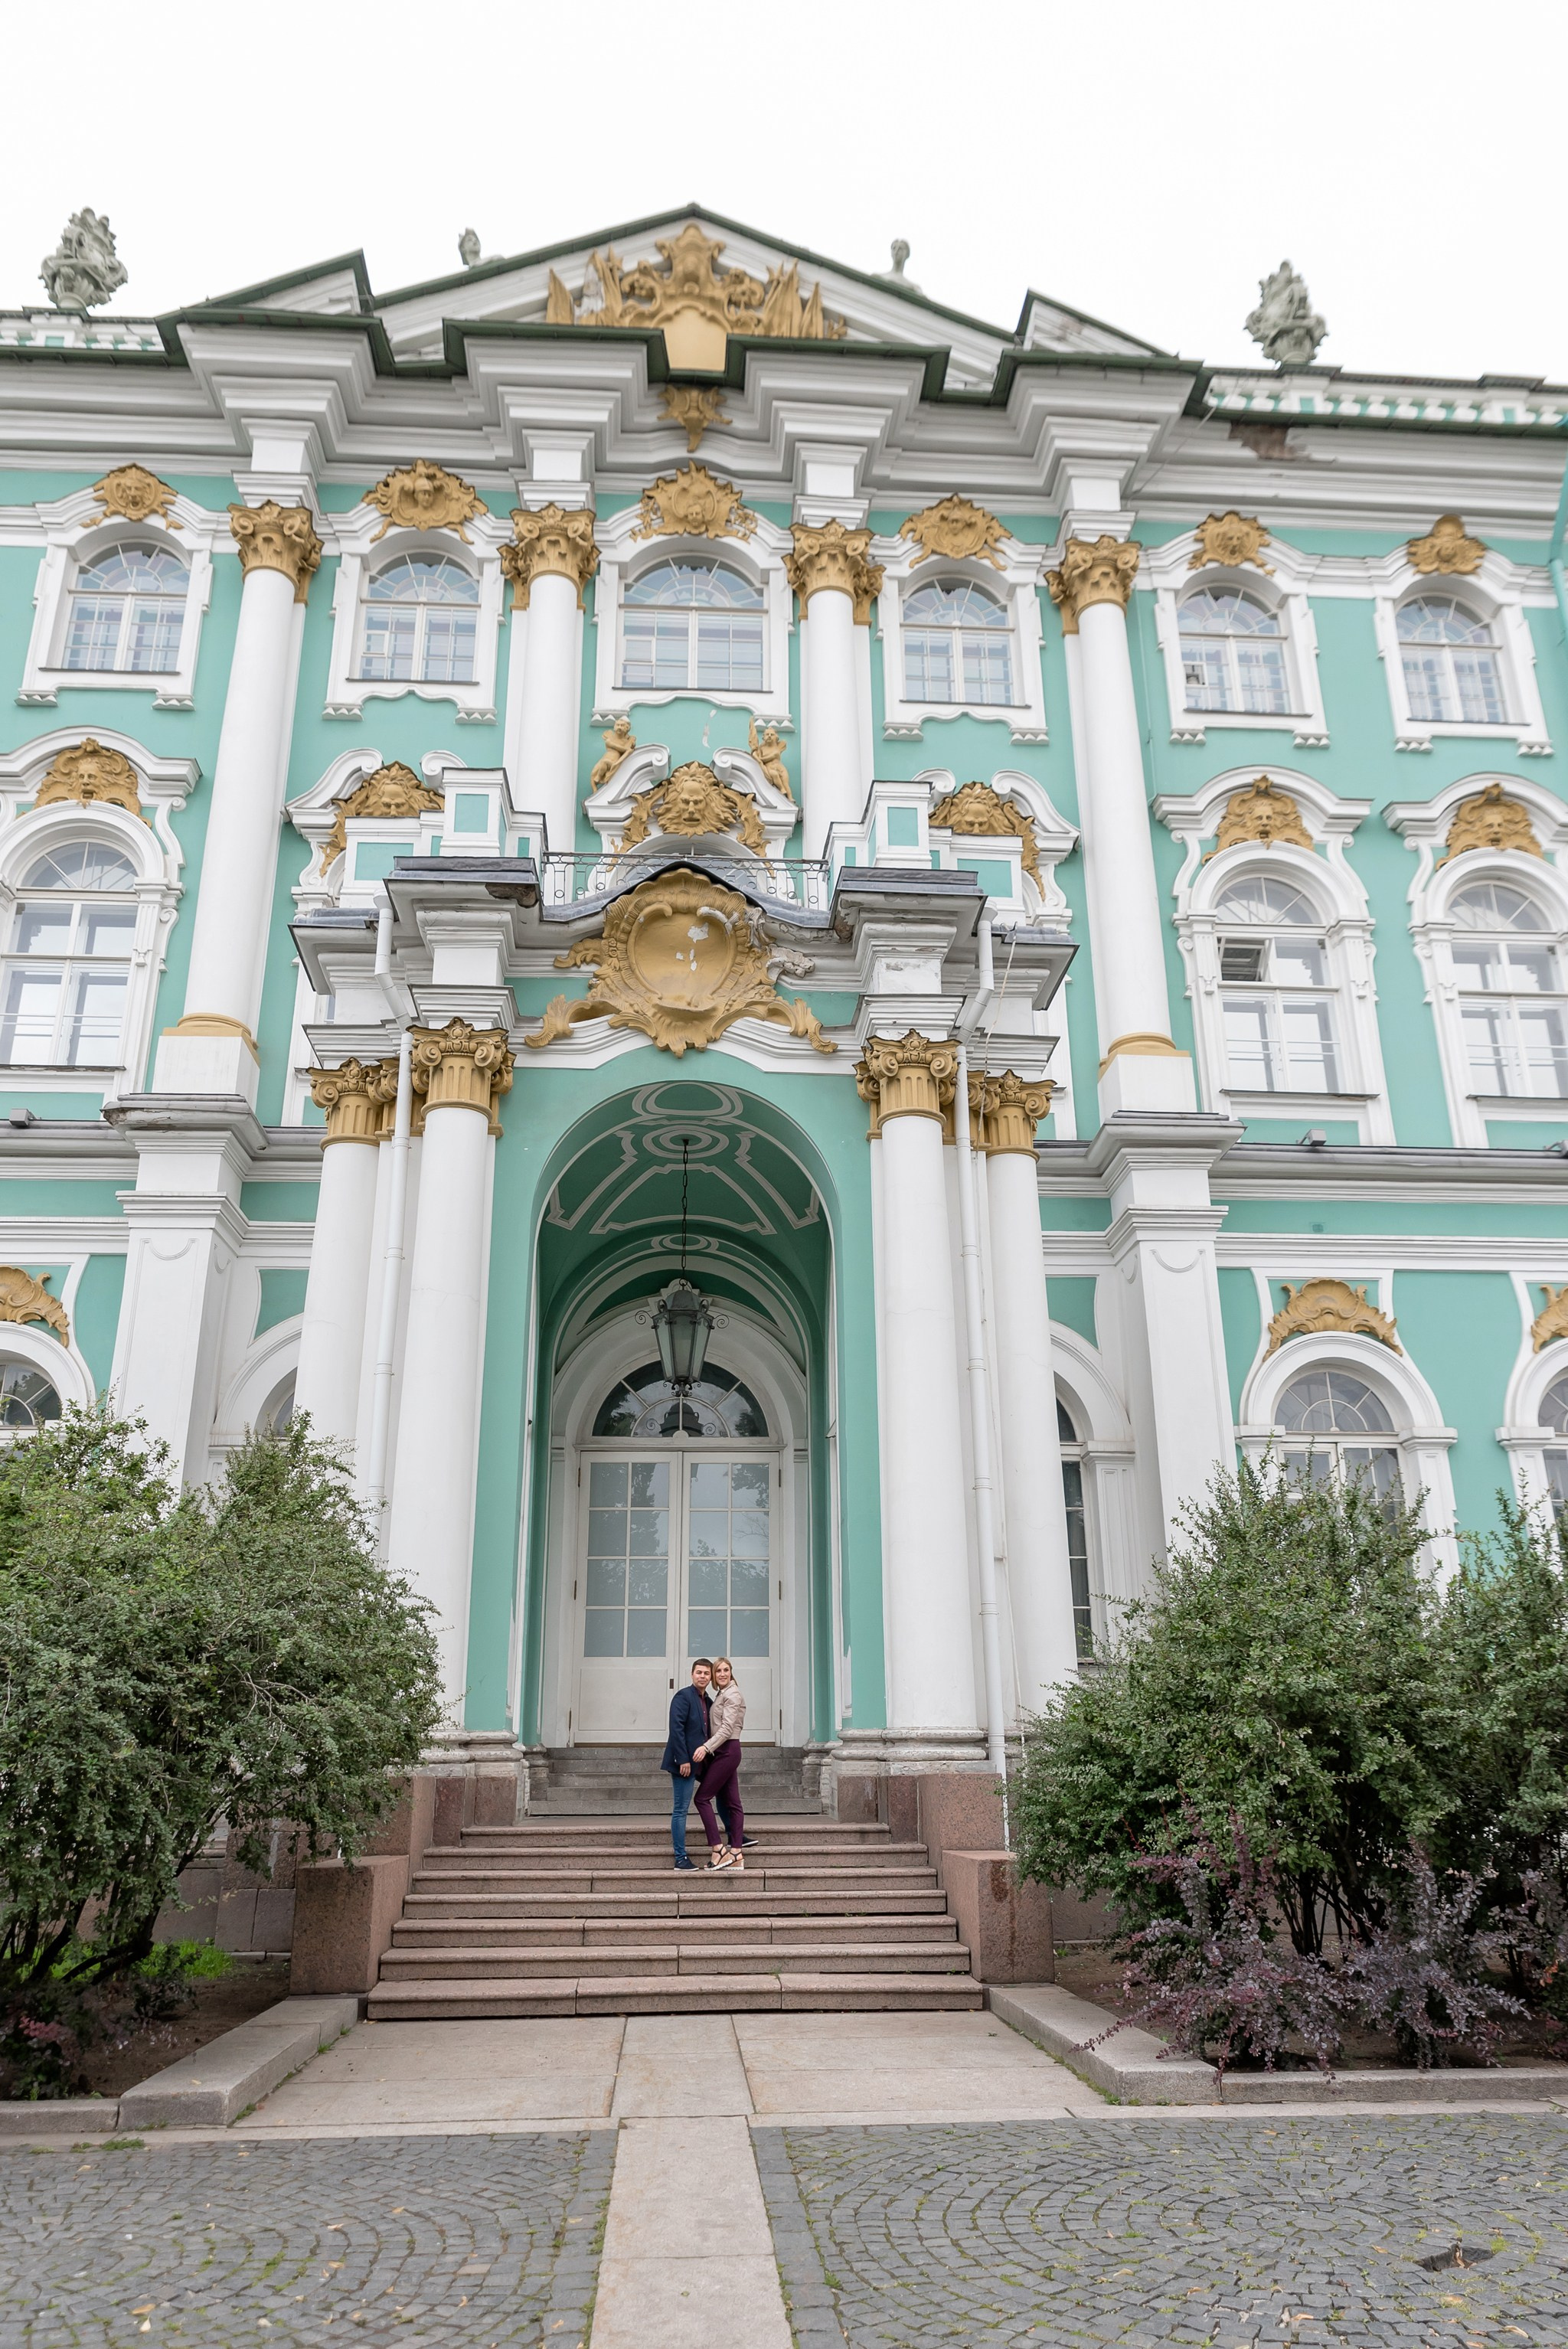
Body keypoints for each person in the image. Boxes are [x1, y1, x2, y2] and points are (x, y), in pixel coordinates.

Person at [692, 1655, 746, 1871]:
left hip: (728, 1751)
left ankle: (718, 1849)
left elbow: (726, 1728)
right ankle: (737, 1853)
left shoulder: (732, 1694)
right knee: (733, 1802)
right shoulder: (722, 1694)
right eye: (718, 1671)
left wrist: (706, 1748)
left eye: (726, 1670)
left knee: (702, 1798)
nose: (722, 1674)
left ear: (731, 1673)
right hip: (724, 1751)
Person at [661, 1658, 712, 1871]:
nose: (702, 1676)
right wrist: (683, 1759)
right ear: (692, 1674)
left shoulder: (708, 1701)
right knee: (681, 1809)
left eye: (706, 1673)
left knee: (724, 1792)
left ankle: (735, 1835)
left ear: (710, 1677)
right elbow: (676, 1728)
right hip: (684, 1764)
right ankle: (680, 1858)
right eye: (699, 1672)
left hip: (703, 1762)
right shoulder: (683, 1696)